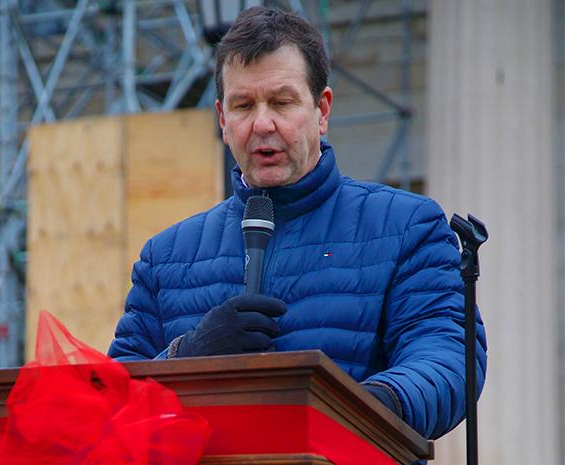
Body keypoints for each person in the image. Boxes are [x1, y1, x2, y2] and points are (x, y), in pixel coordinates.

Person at [108, 6, 487, 441]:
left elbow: (448, 356)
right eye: (243, 105)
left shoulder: (406, 226)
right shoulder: (166, 257)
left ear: (322, 110)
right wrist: (186, 356)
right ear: (222, 119)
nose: (262, 123)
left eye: (282, 102)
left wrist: (355, 415)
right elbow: (112, 405)